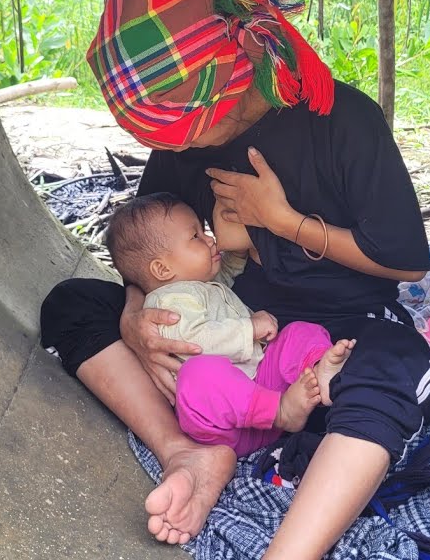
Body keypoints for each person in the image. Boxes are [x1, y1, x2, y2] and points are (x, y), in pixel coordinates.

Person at [40, 0, 430, 557]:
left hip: (332, 333)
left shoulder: (343, 121)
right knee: (73, 303)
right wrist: (138, 318)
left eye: (182, 125)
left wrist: (281, 220)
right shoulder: (183, 145)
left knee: (393, 361)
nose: (175, 143)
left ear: (232, 76)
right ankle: (186, 452)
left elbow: (406, 263)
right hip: (220, 326)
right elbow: (148, 249)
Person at [104, 191, 356, 456]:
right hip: (229, 425)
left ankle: (318, 368)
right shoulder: (167, 303)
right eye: (196, 237)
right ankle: (281, 411)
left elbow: (227, 272)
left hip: (262, 387)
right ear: (162, 269)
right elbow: (197, 343)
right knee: (197, 376)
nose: (210, 239)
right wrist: (250, 328)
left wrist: (237, 251)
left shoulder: (200, 284)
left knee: (297, 332)